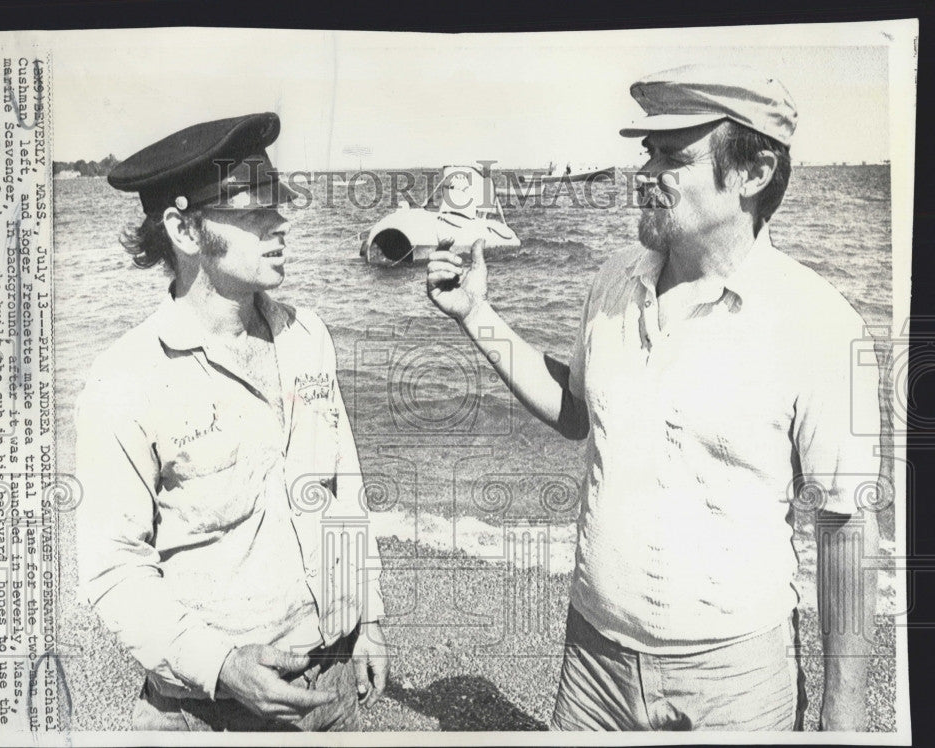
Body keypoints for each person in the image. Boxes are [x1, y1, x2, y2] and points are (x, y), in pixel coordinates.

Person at [426, 65, 881, 731]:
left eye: (674, 155)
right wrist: (476, 313)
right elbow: (577, 410)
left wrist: (845, 715)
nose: (645, 170)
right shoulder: (615, 282)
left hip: (738, 683)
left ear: (753, 173)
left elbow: (845, 522)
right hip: (592, 664)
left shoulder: (818, 321)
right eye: (647, 150)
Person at [75, 112, 389, 731]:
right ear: (186, 230)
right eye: (253, 209)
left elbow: (341, 486)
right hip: (209, 711)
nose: (282, 221)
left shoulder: (309, 337)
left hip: (332, 681)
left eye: (278, 201)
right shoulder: (125, 378)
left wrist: (369, 615)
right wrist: (222, 665)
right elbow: (113, 566)